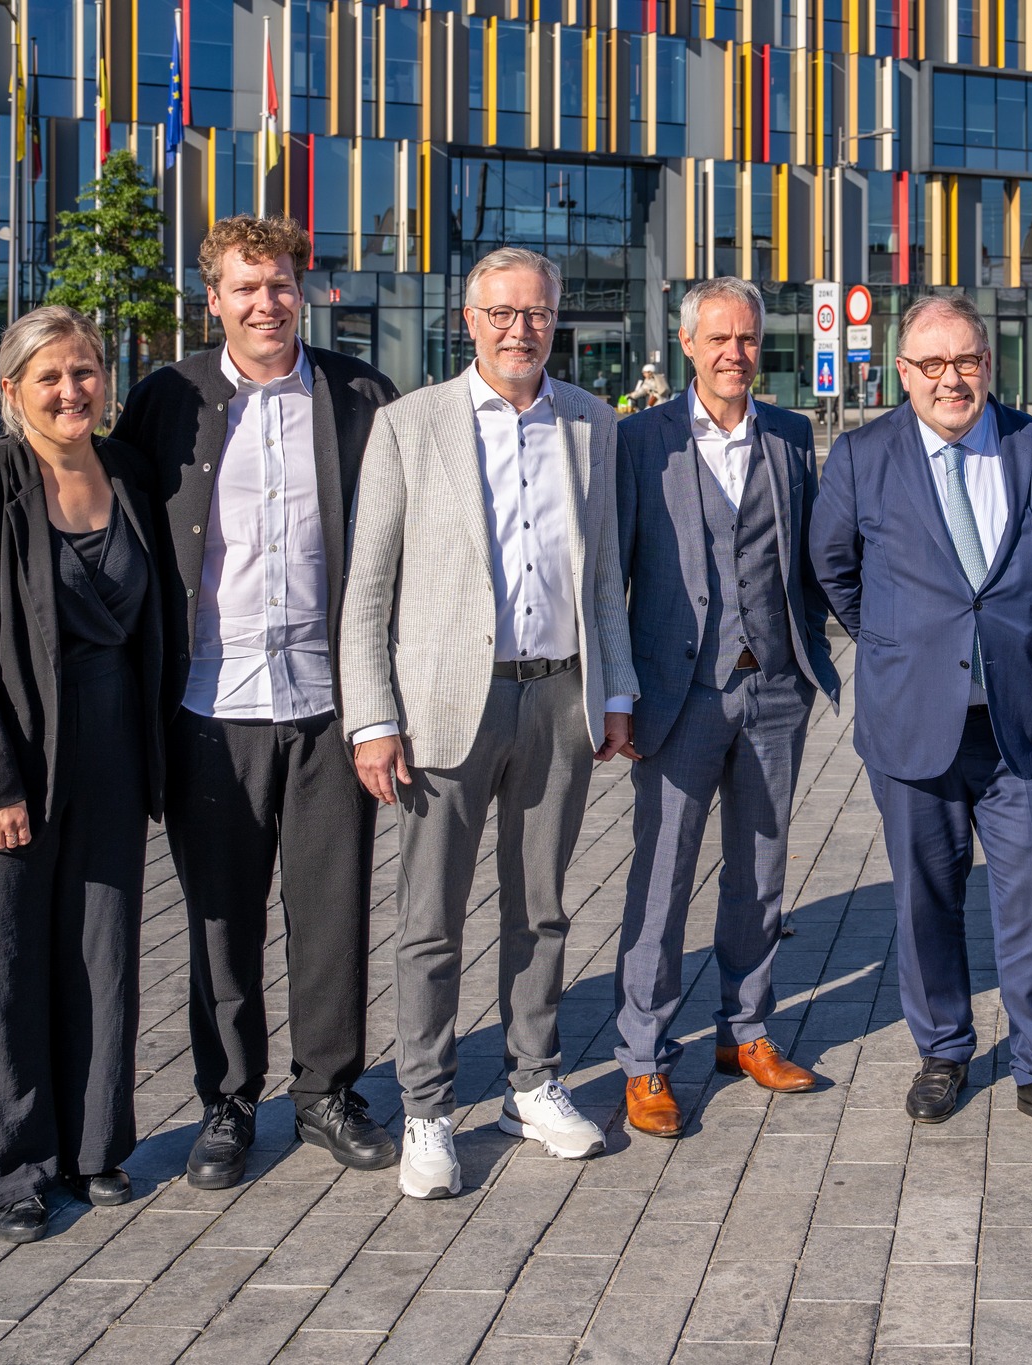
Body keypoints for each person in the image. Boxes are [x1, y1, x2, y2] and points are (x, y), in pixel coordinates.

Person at [340, 247, 639, 1196]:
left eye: (537, 313)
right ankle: (426, 1105)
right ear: (468, 321)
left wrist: (617, 691)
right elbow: (368, 587)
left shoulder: (590, 422)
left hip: (559, 696)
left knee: (541, 906)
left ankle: (533, 1082)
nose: (521, 329)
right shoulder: (410, 424)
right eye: (502, 314)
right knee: (430, 919)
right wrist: (371, 718)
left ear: (557, 319)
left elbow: (604, 573)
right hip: (443, 705)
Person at [112, 216, 401, 1191]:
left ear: (300, 290)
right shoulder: (168, 401)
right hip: (211, 710)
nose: (265, 303)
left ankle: (327, 1094)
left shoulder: (358, 394)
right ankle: (228, 1102)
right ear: (214, 301)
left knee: (332, 915)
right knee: (221, 923)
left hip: (330, 709)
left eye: (278, 284)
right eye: (245, 287)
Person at [808, 294, 1032, 1147]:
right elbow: (833, 567)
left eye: (966, 360)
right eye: (931, 364)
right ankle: (942, 1048)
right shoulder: (863, 455)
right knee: (924, 897)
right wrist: (902, 643)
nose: (951, 379)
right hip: (913, 720)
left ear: (988, 363)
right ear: (903, 372)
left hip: (1020, 722)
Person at [0, 306, 165, 1242]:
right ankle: (11, 1168)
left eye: (85, 370)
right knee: (2, 967)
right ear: (11, 389)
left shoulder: (129, 472)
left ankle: (93, 1146)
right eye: (49, 376)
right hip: (7, 762)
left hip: (111, 755)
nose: (71, 391)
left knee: (101, 956)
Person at [611, 278, 841, 1138]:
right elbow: (612, 574)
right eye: (718, 339)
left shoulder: (790, 434)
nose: (734, 354)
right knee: (662, 877)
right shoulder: (640, 440)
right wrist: (617, 693)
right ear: (687, 345)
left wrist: (810, 652)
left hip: (774, 687)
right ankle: (643, 1056)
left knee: (761, 871)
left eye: (746, 339)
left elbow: (810, 558)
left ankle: (744, 1031)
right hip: (678, 695)